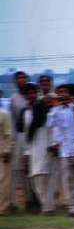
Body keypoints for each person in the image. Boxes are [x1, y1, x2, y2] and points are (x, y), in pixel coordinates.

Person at [49, 88, 74, 216]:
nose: (63, 95)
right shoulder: (55, 111)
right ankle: (73, 208)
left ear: (69, 94)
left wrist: (73, 104)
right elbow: (50, 123)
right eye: (60, 93)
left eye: (65, 93)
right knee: (69, 181)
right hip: (65, 152)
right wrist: (56, 106)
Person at [24, 89, 55, 214]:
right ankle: (45, 206)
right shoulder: (31, 123)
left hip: (45, 153)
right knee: (36, 179)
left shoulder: (47, 119)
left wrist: (52, 146)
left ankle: (48, 208)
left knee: (43, 180)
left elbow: (51, 135)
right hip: (34, 153)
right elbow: (28, 138)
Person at [9, 72, 32, 212]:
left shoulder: (33, 95)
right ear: (16, 82)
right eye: (19, 79)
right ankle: (13, 203)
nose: (21, 81)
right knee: (16, 170)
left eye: (24, 78)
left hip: (32, 137)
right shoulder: (14, 99)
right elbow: (12, 121)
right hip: (19, 137)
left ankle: (30, 201)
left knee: (30, 170)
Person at [0, 102, 12, 215]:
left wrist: (7, 150)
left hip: (2, 153)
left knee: (3, 181)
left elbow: (8, 134)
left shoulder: (4, 114)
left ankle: (3, 208)